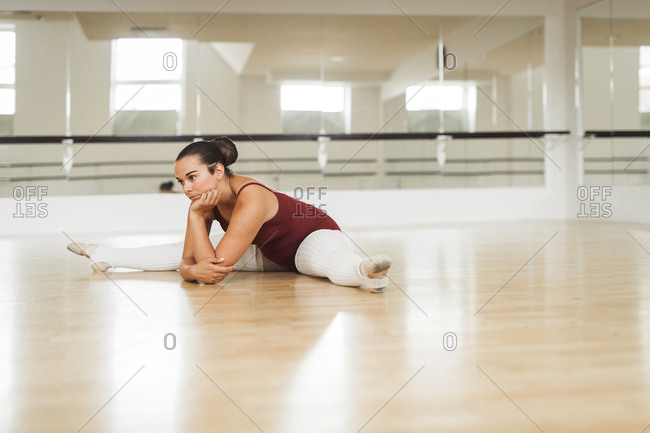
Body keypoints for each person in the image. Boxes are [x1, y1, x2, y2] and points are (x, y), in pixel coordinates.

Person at [68, 137, 391, 292]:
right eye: (182, 181)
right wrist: (191, 266)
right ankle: (104, 254)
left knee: (318, 260)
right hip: (271, 255)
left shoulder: (251, 196)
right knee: (181, 248)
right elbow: (189, 262)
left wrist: (196, 251)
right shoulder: (203, 202)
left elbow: (216, 268)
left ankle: (367, 273)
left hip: (313, 238)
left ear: (218, 170)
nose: (186, 188)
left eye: (192, 178)